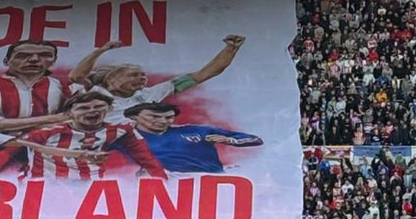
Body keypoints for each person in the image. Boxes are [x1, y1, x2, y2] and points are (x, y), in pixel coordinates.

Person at [69, 34, 246, 124]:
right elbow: (76, 76)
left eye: (143, 75)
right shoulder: (94, 93)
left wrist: (231, 49)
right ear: (111, 79)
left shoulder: (152, 93)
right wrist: (100, 51)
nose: (142, 78)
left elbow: (205, 74)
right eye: (134, 74)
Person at [14, 91, 166, 180]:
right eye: (83, 108)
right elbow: (9, 147)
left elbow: (147, 159)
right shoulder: (47, 132)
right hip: (46, 185)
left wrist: (163, 182)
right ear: (69, 113)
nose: (92, 111)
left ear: (110, 108)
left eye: (99, 106)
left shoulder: (123, 130)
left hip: (90, 187)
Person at [0, 40, 77, 131]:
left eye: (45, 55)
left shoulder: (66, 88)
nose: (34, 59)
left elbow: (79, 118)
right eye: (22, 56)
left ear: (54, 60)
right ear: (6, 61)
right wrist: (55, 118)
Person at [120, 102, 263, 174]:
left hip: (208, 179)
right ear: (134, 117)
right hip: (164, 183)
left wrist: (232, 141)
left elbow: (255, 139)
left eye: (168, 117)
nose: (163, 121)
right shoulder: (122, 138)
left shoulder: (197, 130)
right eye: (154, 117)